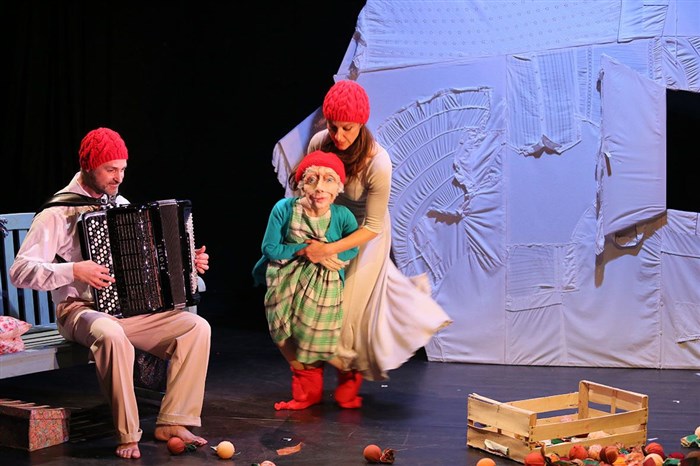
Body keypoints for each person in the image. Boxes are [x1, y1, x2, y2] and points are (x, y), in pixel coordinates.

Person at [9, 127, 211, 459]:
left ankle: (173, 420)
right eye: (110, 169)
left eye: (122, 169)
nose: (118, 178)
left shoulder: (120, 204)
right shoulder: (57, 212)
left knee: (195, 328)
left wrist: (189, 263)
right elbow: (19, 271)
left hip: (126, 310)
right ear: (88, 166)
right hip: (79, 311)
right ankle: (127, 433)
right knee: (112, 334)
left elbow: (146, 262)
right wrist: (73, 270)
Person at [294, 80, 453, 408]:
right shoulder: (319, 143)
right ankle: (309, 383)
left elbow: (373, 226)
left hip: (366, 236)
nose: (339, 136)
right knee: (312, 301)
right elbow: (308, 192)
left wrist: (329, 250)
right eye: (333, 126)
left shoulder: (378, 162)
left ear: (361, 123)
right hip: (329, 227)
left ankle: (348, 377)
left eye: (348, 128)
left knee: (348, 311)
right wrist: (312, 236)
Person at [253, 150, 359, 410]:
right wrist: (303, 249)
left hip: (324, 282)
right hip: (285, 278)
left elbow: (353, 247)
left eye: (328, 180)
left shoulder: (342, 215)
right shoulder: (284, 209)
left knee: (313, 339)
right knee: (281, 334)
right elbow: (270, 248)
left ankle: (337, 377)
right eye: (312, 180)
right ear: (301, 184)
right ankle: (309, 390)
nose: (319, 187)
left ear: (338, 187)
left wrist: (329, 254)